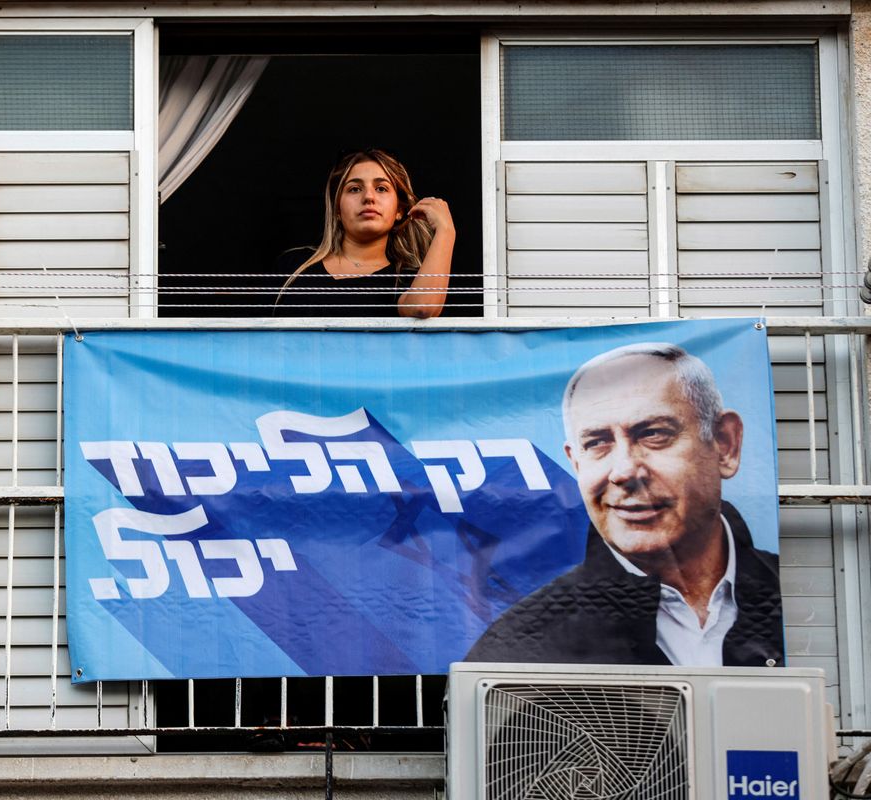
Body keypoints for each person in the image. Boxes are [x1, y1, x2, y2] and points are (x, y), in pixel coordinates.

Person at [466, 342, 784, 667]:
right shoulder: (518, 646)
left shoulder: (799, 600)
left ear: (725, 445)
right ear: (576, 464)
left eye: (654, 434)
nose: (624, 471)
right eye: (598, 443)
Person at [273, 148, 455, 318]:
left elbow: (422, 307)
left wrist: (446, 231)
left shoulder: (406, 279)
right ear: (337, 208)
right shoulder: (294, 266)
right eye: (354, 189)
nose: (368, 197)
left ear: (399, 210)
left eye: (381, 188)